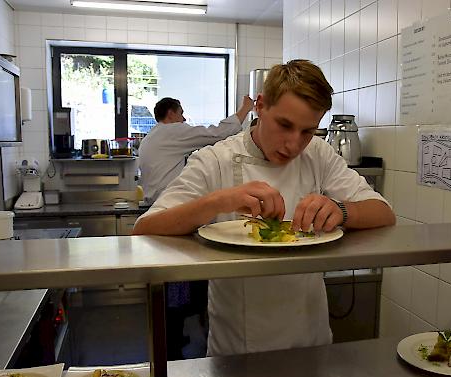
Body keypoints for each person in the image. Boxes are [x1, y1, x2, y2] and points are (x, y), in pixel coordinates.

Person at [134, 59, 396, 357]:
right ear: (260, 106)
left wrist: (342, 210)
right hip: (237, 347)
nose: (293, 144)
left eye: (307, 131)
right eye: (284, 125)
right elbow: (145, 229)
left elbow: (383, 213)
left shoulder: (318, 154)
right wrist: (222, 200)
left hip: (311, 340)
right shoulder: (215, 159)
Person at [138, 95, 254, 204]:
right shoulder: (173, 131)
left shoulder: (151, 137)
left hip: (153, 201)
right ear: (170, 113)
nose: (183, 119)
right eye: (181, 113)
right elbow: (218, 134)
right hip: (169, 201)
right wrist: (245, 109)